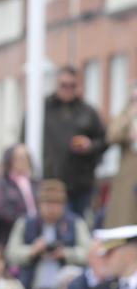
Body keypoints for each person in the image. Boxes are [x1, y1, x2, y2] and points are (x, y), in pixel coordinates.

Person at [24, 66, 107, 220]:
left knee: (79, 227)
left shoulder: (87, 112)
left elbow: (104, 141)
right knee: (53, 227)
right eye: (64, 85)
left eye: (72, 85)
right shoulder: (41, 110)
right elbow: (24, 140)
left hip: (81, 184)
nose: (68, 89)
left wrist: (89, 146)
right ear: (56, 84)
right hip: (51, 183)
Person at [7, 178, 91, 289]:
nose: (51, 208)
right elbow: (10, 253)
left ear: (64, 205)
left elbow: (89, 254)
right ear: (39, 204)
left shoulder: (75, 223)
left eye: (56, 204)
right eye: (47, 203)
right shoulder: (25, 223)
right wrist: (32, 251)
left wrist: (65, 253)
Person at [0, 144, 38, 247]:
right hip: (8, 236)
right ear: (10, 160)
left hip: (34, 236)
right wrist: (24, 223)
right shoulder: (0, 183)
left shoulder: (35, 182)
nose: (23, 161)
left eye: (26, 157)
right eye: (19, 158)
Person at [105, 83, 137, 228]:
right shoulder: (125, 115)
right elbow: (112, 136)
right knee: (126, 217)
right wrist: (129, 118)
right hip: (129, 175)